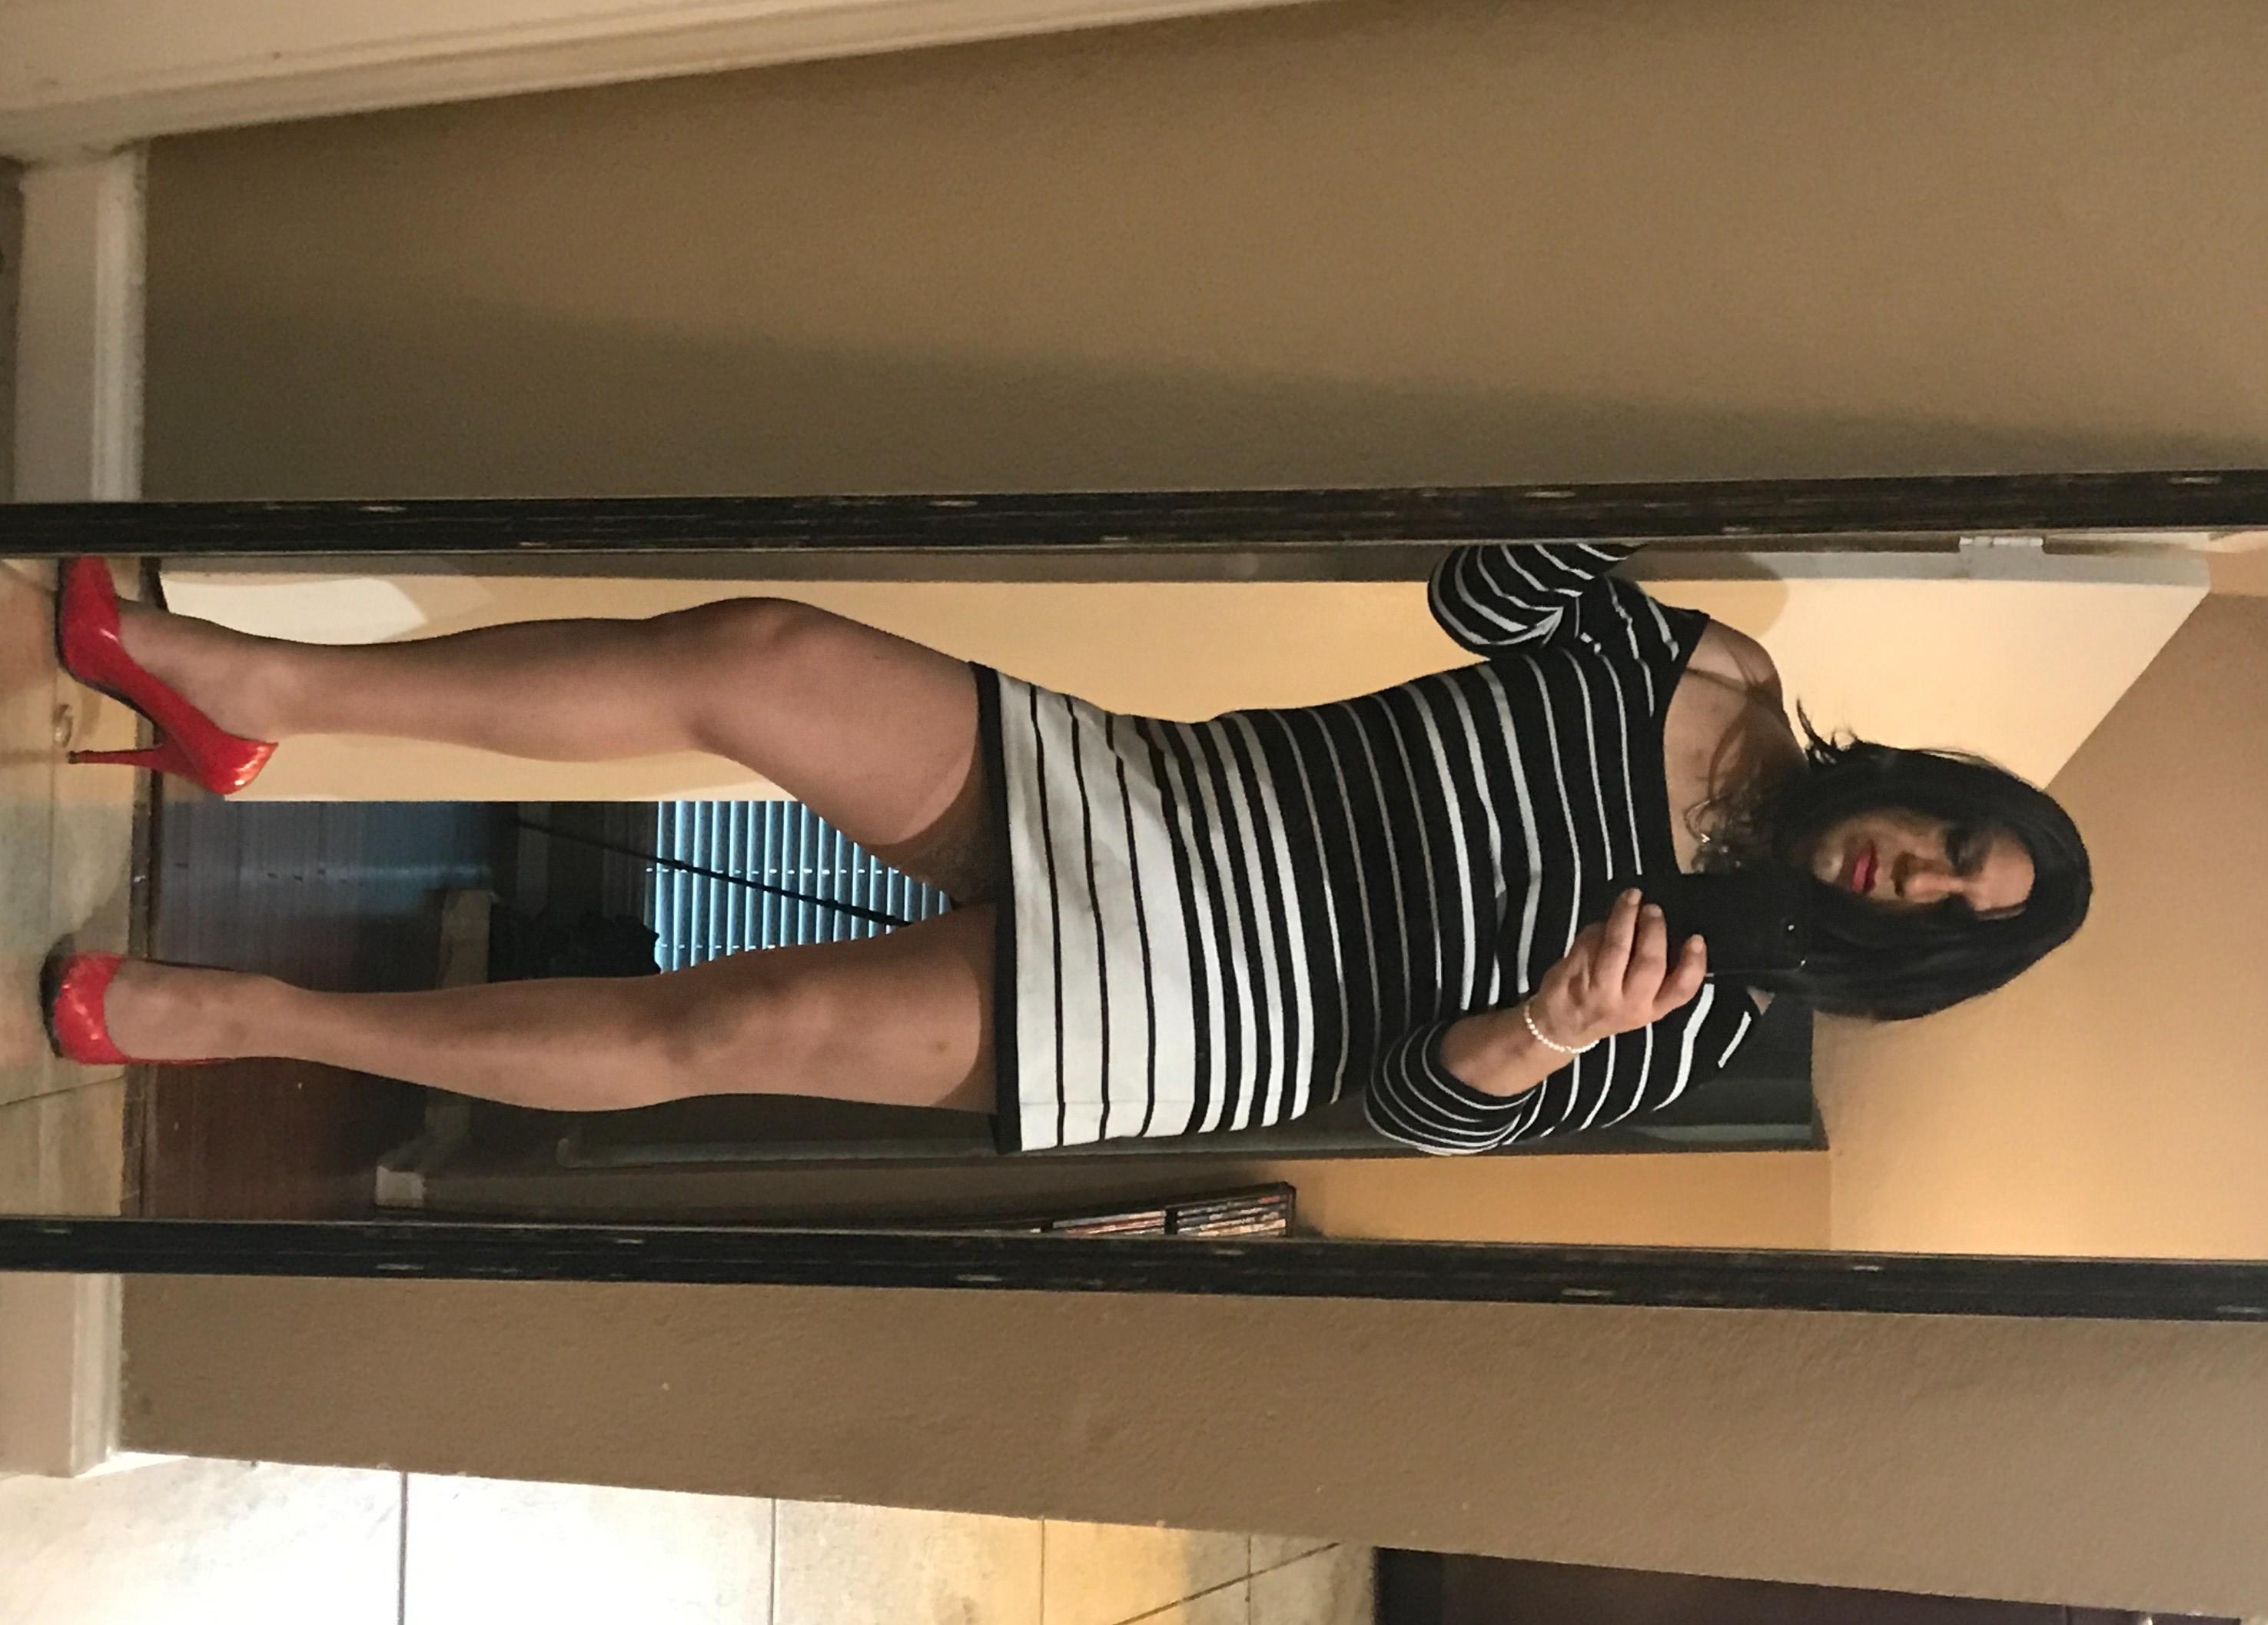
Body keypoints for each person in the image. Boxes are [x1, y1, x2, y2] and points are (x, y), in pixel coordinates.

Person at [42, 544, 2090, 1156]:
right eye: (1957, 837)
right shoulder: (1717, 668)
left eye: (1949, 908)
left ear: (1916, 950)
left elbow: (1403, 1110)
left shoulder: (1685, 1015)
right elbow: (1481, 590)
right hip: (1141, 790)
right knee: (752, 655)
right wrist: (1607, 567)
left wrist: (1543, 1030)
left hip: (1180, 1005)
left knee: (705, 1030)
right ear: (1938, 789)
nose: (1918, 872)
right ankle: (248, 686)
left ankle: (237, 1015)